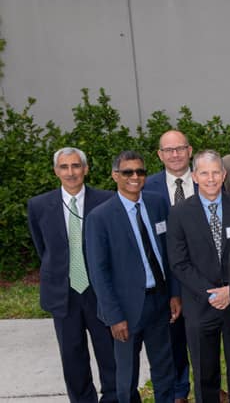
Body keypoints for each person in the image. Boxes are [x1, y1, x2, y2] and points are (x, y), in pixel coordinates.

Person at [84, 151, 180, 403]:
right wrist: (114, 316)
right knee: (126, 374)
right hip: (125, 309)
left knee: (164, 368)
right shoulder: (100, 217)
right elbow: (98, 272)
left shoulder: (157, 203)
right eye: (128, 172)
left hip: (160, 301)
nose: (135, 177)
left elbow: (168, 253)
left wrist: (174, 293)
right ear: (115, 175)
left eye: (140, 171)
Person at [27, 147, 118, 402]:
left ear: (86, 169)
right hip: (63, 294)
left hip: (99, 292)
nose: (71, 172)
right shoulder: (39, 205)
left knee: (109, 353)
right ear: (56, 171)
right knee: (72, 356)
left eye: (76, 166)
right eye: (64, 167)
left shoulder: (107, 201)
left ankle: (113, 398)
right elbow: (42, 247)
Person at [165, 150, 230, 403]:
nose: (211, 178)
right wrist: (212, 293)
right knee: (205, 373)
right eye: (205, 173)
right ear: (194, 176)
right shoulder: (180, 213)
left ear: (224, 175)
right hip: (200, 304)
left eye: (216, 172)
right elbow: (179, 263)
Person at [144, 129, 196, 402]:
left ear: (190, 151)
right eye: (168, 150)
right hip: (167, 279)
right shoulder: (146, 188)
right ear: (160, 155)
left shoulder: (208, 179)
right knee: (174, 341)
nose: (175, 155)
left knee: (206, 340)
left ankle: (207, 388)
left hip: (205, 278)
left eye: (180, 148)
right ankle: (179, 392)